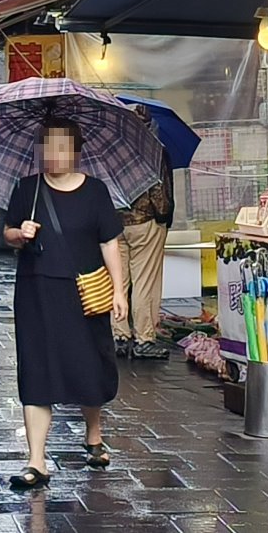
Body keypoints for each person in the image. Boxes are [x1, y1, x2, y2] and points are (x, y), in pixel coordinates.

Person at [4, 118, 127, 487]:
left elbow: (110, 243)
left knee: (88, 365)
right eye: (47, 147)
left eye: (61, 147)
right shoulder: (28, 188)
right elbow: (7, 232)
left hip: (84, 294)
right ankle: (37, 461)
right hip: (36, 293)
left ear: (76, 151)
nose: (53, 155)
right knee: (36, 371)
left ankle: (93, 432)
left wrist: (119, 290)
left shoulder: (95, 192)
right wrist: (19, 233)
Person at [112, 106, 174, 360]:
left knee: (119, 281)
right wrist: (164, 216)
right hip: (144, 222)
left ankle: (119, 334)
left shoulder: (110, 148)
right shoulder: (151, 149)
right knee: (144, 283)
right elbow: (159, 192)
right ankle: (144, 338)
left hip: (114, 223)